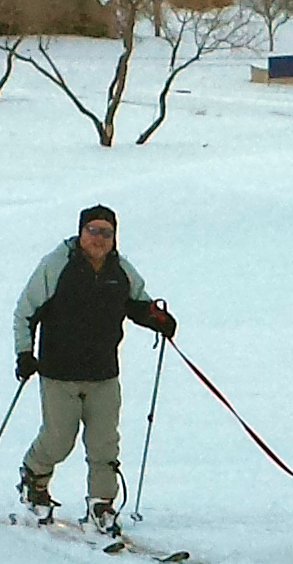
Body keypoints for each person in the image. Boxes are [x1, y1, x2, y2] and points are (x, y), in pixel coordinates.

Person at [12, 204, 176, 533]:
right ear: (81, 232)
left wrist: (159, 320)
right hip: (59, 372)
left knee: (104, 444)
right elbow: (25, 311)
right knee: (59, 439)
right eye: (93, 230)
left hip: (104, 373)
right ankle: (34, 479)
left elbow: (138, 304)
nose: (99, 238)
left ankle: (102, 505)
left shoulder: (121, 271)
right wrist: (25, 353)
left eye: (107, 232)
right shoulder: (57, 265)